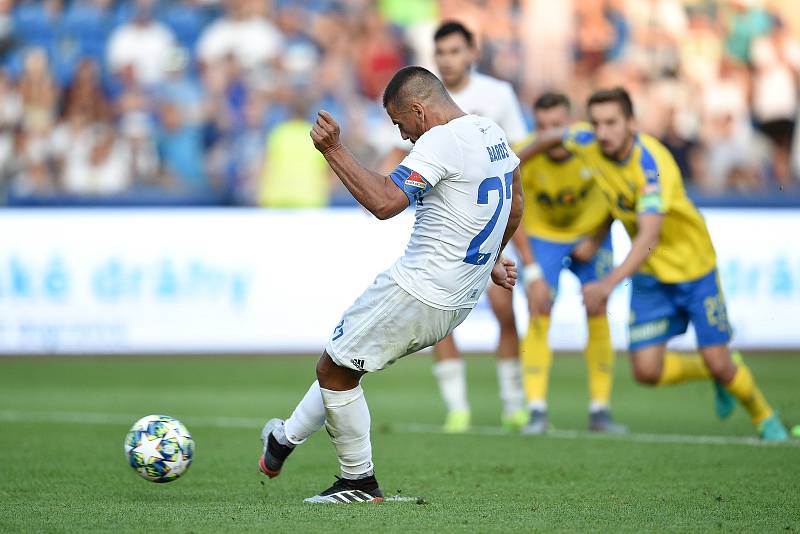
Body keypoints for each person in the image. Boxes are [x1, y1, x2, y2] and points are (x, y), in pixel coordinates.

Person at [257, 66, 523, 503]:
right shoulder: (488, 130)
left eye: (402, 125)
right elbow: (515, 197)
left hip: (420, 288)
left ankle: (357, 482)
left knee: (333, 369)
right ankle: (283, 440)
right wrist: (492, 257)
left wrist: (333, 150)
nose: (407, 138)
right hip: (461, 297)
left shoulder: (441, 140)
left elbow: (384, 202)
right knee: (347, 359)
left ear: (419, 110)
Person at [517, 87, 788, 441]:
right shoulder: (587, 141)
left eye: (612, 123)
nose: (603, 132)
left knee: (720, 361)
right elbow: (552, 135)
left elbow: (648, 238)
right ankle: (713, 372)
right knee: (646, 372)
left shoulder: (651, 167)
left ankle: (765, 417)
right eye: (596, 123)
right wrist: (511, 160)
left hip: (692, 266)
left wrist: (608, 283)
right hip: (648, 273)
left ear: (631, 122)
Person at [382, 20, 528, 434]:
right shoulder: (416, 98)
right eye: (440, 52)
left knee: (504, 312)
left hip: (487, 222)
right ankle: (458, 408)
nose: (447, 59)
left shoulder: (495, 96)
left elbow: (516, 158)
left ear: (471, 53)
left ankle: (513, 403)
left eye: (454, 51)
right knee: (439, 316)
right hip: (443, 226)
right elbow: (398, 149)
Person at [511, 92, 625, 435]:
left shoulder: (593, 146)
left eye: (557, 126)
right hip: (543, 236)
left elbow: (620, 194)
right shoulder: (523, 155)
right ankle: (536, 410)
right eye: (542, 127)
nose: (549, 136)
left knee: (597, 304)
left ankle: (600, 409)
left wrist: (597, 236)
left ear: (572, 124)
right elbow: (511, 212)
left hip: (591, 231)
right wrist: (531, 272)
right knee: (539, 305)